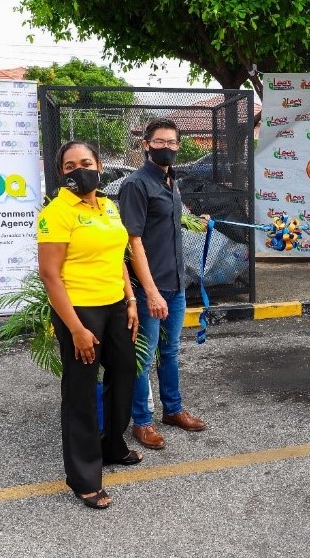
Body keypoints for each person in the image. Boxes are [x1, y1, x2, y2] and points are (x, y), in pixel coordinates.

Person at [37, 141, 143, 510]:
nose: (79, 170)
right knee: (81, 391)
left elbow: (119, 258)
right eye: (69, 166)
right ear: (61, 173)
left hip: (115, 305)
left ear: (98, 165)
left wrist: (130, 300)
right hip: (79, 310)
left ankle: (112, 446)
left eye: (85, 162)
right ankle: (83, 477)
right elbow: (50, 276)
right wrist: (77, 329)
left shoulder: (109, 207)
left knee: (125, 372)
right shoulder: (56, 213)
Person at [119, 118, 206, 450]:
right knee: (143, 356)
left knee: (169, 352)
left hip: (176, 285)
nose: (167, 148)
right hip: (148, 291)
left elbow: (169, 226)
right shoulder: (135, 185)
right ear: (145, 144)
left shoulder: (172, 181)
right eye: (160, 142)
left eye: (172, 143)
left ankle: (173, 410)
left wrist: (198, 222)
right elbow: (134, 241)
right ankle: (141, 422)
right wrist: (151, 291)